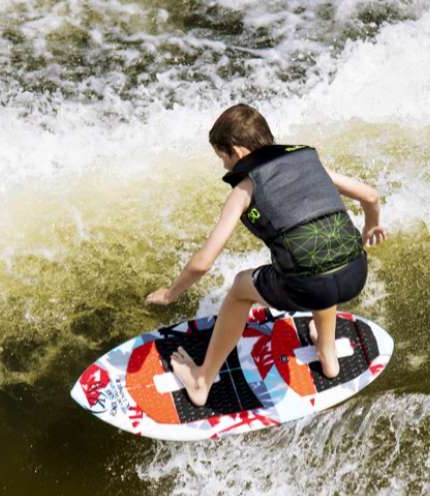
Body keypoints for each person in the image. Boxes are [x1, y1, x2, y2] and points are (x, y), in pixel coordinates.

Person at [145, 103, 385, 406]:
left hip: (308, 286)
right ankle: (328, 355)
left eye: (222, 157)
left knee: (241, 287)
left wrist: (170, 294)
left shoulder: (244, 188)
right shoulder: (309, 162)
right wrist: (371, 225)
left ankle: (201, 381)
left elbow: (203, 263)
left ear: (237, 151)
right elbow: (371, 196)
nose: (224, 167)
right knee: (322, 246)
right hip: (356, 273)